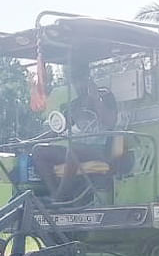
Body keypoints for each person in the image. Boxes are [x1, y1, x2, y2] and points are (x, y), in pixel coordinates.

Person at [32, 59, 120, 201]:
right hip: (76, 151)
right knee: (38, 151)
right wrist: (30, 142)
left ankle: (60, 196)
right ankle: (58, 195)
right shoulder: (75, 104)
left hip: (100, 150)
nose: (78, 85)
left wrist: (96, 100)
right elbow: (57, 130)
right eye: (75, 81)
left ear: (88, 78)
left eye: (81, 80)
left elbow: (110, 122)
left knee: (74, 149)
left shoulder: (105, 95)